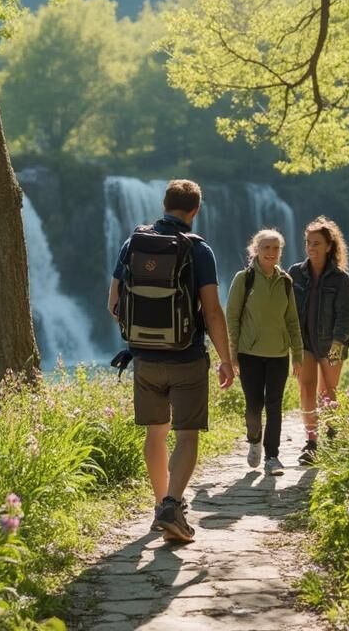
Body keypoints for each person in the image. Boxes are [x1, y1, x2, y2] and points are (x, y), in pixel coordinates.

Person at [107, 179, 235, 544]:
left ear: (164, 205)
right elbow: (212, 311)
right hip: (187, 357)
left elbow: (113, 303)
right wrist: (226, 359)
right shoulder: (199, 249)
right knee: (187, 434)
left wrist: (143, 337)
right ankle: (172, 505)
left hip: (144, 359)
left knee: (156, 433)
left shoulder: (133, 243)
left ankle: (159, 506)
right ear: (195, 210)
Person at [225, 229, 302, 473]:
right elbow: (232, 318)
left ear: (281, 252)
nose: (271, 252)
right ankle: (254, 439)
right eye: (266, 247)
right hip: (250, 354)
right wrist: (232, 355)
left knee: (274, 405)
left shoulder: (286, 281)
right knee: (253, 405)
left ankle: (272, 456)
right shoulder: (244, 279)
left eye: (276, 248)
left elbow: (292, 321)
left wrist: (297, 355)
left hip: (279, 354)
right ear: (256, 250)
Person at [287, 217, 349, 466]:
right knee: (306, 388)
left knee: (328, 391)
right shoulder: (295, 273)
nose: (311, 247)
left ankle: (332, 435)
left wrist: (338, 342)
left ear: (329, 246)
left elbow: (345, 314)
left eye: (316, 243)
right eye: (308, 242)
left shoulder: (340, 278)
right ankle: (311, 442)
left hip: (331, 342)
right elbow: (288, 310)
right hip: (304, 342)